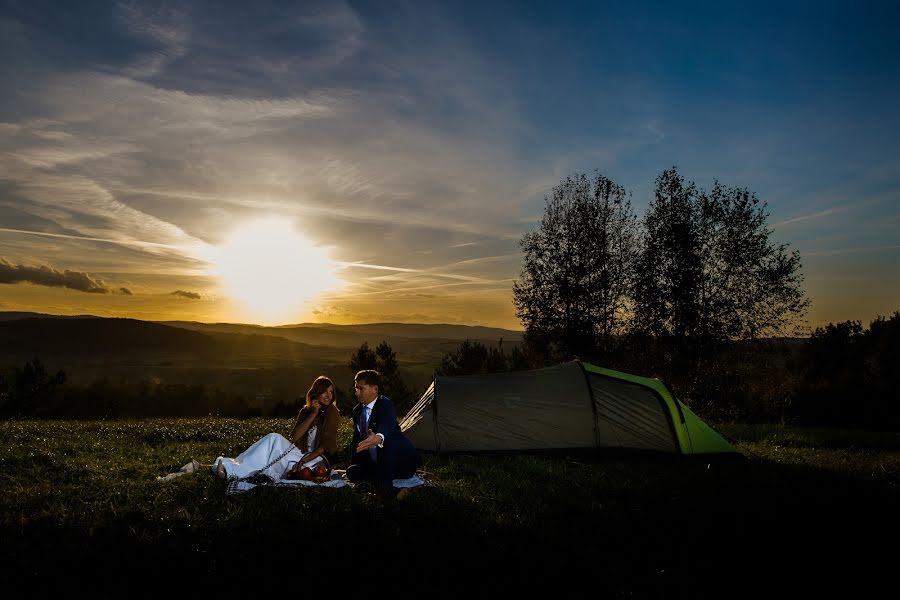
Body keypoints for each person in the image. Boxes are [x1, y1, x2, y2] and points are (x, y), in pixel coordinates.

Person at [211, 375, 340, 481]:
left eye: (331, 392)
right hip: (300, 454)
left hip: (316, 461)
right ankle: (233, 465)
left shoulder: (332, 412)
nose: (329, 395)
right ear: (317, 393)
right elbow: (296, 437)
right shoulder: (306, 412)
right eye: (325, 391)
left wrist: (304, 460)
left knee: (274, 449)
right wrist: (312, 414)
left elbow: (325, 446)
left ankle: (231, 471)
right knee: (274, 438)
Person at [347, 369, 421, 496]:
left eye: (361, 388)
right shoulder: (357, 411)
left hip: (399, 461)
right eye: (356, 388)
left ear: (374, 389)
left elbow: (387, 424)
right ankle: (380, 482)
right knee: (351, 472)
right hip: (376, 463)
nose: (357, 392)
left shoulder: (385, 404)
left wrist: (379, 437)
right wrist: (355, 462)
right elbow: (357, 440)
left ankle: (386, 488)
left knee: (388, 443)